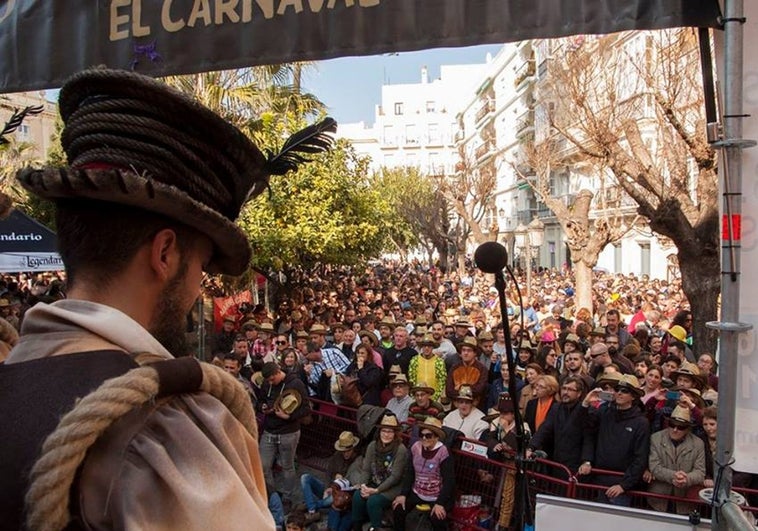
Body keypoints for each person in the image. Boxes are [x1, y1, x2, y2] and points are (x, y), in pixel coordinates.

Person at [0, 68, 336, 530]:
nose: (198, 289)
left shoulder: (11, 367)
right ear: (164, 253)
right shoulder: (161, 430)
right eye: (200, 266)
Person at [579, 374, 650, 506]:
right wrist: (585, 403)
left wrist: (624, 485)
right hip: (599, 479)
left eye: (625, 391)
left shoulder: (641, 422)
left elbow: (640, 457)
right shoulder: (604, 412)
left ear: (633, 396)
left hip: (621, 484)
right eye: (617, 390)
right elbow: (585, 428)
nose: (619, 393)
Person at [259, 361, 311, 506]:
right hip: (269, 430)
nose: (270, 383)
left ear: (278, 372)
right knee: (264, 466)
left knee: (287, 466)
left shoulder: (296, 383)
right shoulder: (267, 384)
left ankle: (287, 497)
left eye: (272, 379)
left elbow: (306, 408)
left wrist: (289, 417)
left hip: (289, 432)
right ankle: (272, 494)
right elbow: (261, 399)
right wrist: (262, 406)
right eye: (268, 381)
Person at [392, 417, 455, 531]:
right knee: (398, 508)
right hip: (417, 492)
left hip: (436, 495)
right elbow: (410, 472)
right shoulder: (415, 447)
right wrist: (403, 494)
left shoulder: (444, 452)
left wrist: (440, 503)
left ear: (436, 436)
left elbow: (449, 481)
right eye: (422, 435)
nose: (424, 438)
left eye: (428, 435)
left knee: (438, 518)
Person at [352, 414, 409, 531]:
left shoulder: (401, 449)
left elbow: (395, 477)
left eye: (390, 431)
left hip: (393, 487)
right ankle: (356, 527)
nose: (386, 434)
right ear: (379, 431)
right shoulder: (372, 446)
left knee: (374, 501)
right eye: (384, 431)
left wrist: (376, 490)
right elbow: (366, 469)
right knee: (358, 495)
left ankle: (376, 527)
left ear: (395, 433)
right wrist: (363, 485)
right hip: (375, 480)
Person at [646, 406, 706, 514]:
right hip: (658, 498)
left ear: (688, 428)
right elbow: (654, 466)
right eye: (672, 425)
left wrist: (686, 479)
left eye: (680, 427)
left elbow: (700, 472)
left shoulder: (698, 444)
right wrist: (674, 476)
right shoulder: (655, 438)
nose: (675, 430)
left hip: (685, 501)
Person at [527, 376, 588, 477]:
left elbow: (588, 438)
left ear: (579, 393)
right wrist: (530, 448)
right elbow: (545, 429)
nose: (565, 392)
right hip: (557, 461)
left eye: (570, 389)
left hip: (576, 465)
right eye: (564, 388)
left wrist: (587, 461)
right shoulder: (556, 408)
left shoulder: (584, 410)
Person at [300, 430, 362, 525]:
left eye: (348, 451)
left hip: (342, 495)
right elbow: (328, 474)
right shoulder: (337, 456)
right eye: (343, 451)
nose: (346, 454)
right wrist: (327, 487)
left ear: (353, 449)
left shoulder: (358, 460)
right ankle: (312, 508)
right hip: (331, 489)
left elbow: (353, 482)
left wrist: (342, 480)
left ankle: (311, 508)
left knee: (333, 499)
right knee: (305, 478)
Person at [407, 333, 446, 401]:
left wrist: (435, 397)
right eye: (424, 346)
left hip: (434, 398)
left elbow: (442, 382)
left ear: (433, 347)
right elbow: (411, 380)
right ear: (422, 347)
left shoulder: (439, 362)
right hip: (417, 397)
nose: (426, 348)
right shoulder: (414, 360)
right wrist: (414, 396)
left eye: (429, 346)